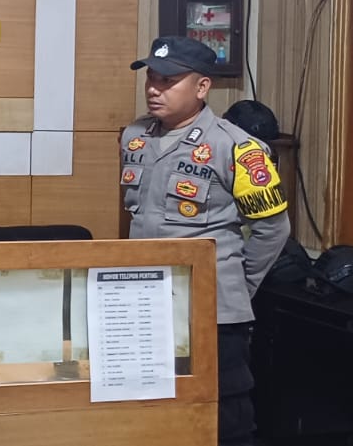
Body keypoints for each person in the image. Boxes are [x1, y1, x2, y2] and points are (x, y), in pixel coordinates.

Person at [119, 37, 290, 446]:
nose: (154, 89)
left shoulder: (237, 147)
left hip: (213, 312)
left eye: (168, 80)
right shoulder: (134, 137)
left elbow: (273, 229)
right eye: (151, 78)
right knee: (153, 414)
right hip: (145, 304)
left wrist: (236, 286)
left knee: (224, 418)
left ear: (202, 87)